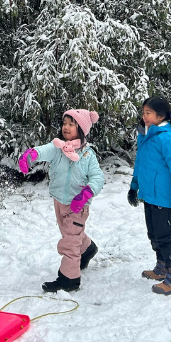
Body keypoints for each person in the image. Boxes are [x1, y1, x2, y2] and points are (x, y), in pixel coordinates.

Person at [19, 109, 105, 292]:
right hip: (59, 200)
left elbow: (98, 177)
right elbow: (44, 150)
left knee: (69, 241)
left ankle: (69, 279)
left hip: (78, 205)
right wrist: (31, 155)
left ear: (81, 129)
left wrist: (86, 194)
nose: (66, 127)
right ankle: (87, 248)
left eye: (71, 124)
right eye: (64, 123)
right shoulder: (57, 148)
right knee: (71, 234)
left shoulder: (88, 155)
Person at [127, 97, 171, 295]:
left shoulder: (168, 137)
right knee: (154, 233)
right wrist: (134, 186)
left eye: (148, 113)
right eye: (143, 112)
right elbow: (141, 163)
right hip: (149, 195)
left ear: (160, 116)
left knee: (166, 236)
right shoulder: (146, 134)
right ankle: (163, 266)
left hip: (163, 196)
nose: (144, 116)